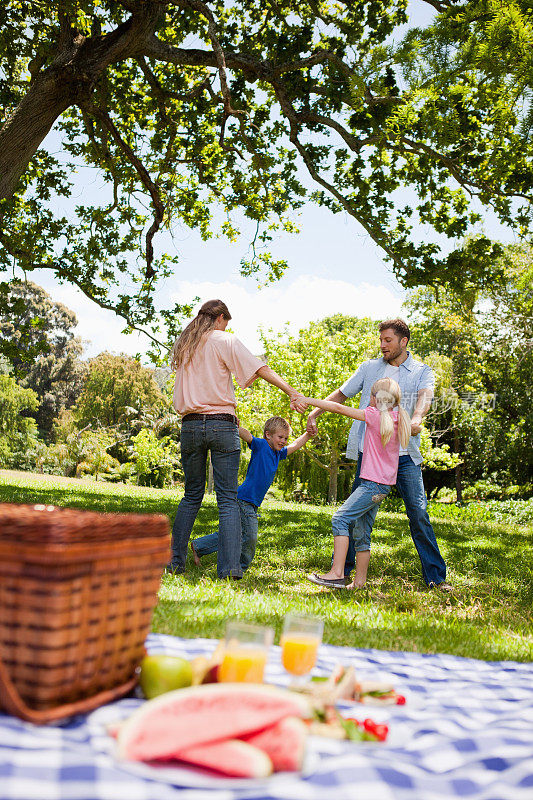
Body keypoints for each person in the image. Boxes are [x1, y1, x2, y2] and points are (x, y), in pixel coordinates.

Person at [306, 318, 452, 592]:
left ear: (403, 341)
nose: (382, 345)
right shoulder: (370, 367)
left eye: (388, 340)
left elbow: (424, 399)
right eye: (381, 339)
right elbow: (342, 395)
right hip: (370, 456)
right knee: (357, 516)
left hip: (405, 456)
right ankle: (344, 572)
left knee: (418, 514)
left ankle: (435, 577)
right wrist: (314, 412)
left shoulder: (422, 371)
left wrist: (416, 421)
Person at [168, 299, 306, 580]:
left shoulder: (185, 346)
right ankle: (229, 569)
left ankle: (174, 563)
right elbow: (260, 369)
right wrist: (291, 391)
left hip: (191, 426)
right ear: (220, 318)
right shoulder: (225, 340)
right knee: (228, 500)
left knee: (191, 495)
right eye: (225, 322)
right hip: (221, 425)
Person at [304, 378, 411, 589]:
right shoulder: (400, 418)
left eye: (371, 395)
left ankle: (336, 572)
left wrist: (307, 400)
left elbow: (336, 407)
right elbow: (414, 427)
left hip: (371, 485)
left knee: (340, 519)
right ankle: (359, 583)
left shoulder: (373, 416)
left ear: (376, 398)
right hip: (383, 487)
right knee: (362, 532)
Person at [190, 416, 315, 572]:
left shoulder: (278, 454)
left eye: (285, 438)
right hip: (244, 500)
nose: (283, 441)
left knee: (234, 533)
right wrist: (233, 425)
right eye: (280, 437)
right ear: (268, 435)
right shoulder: (262, 445)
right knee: (250, 537)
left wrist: (308, 435)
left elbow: (295, 445)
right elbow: (248, 436)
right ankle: (240, 568)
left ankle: (200, 546)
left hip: (251, 502)